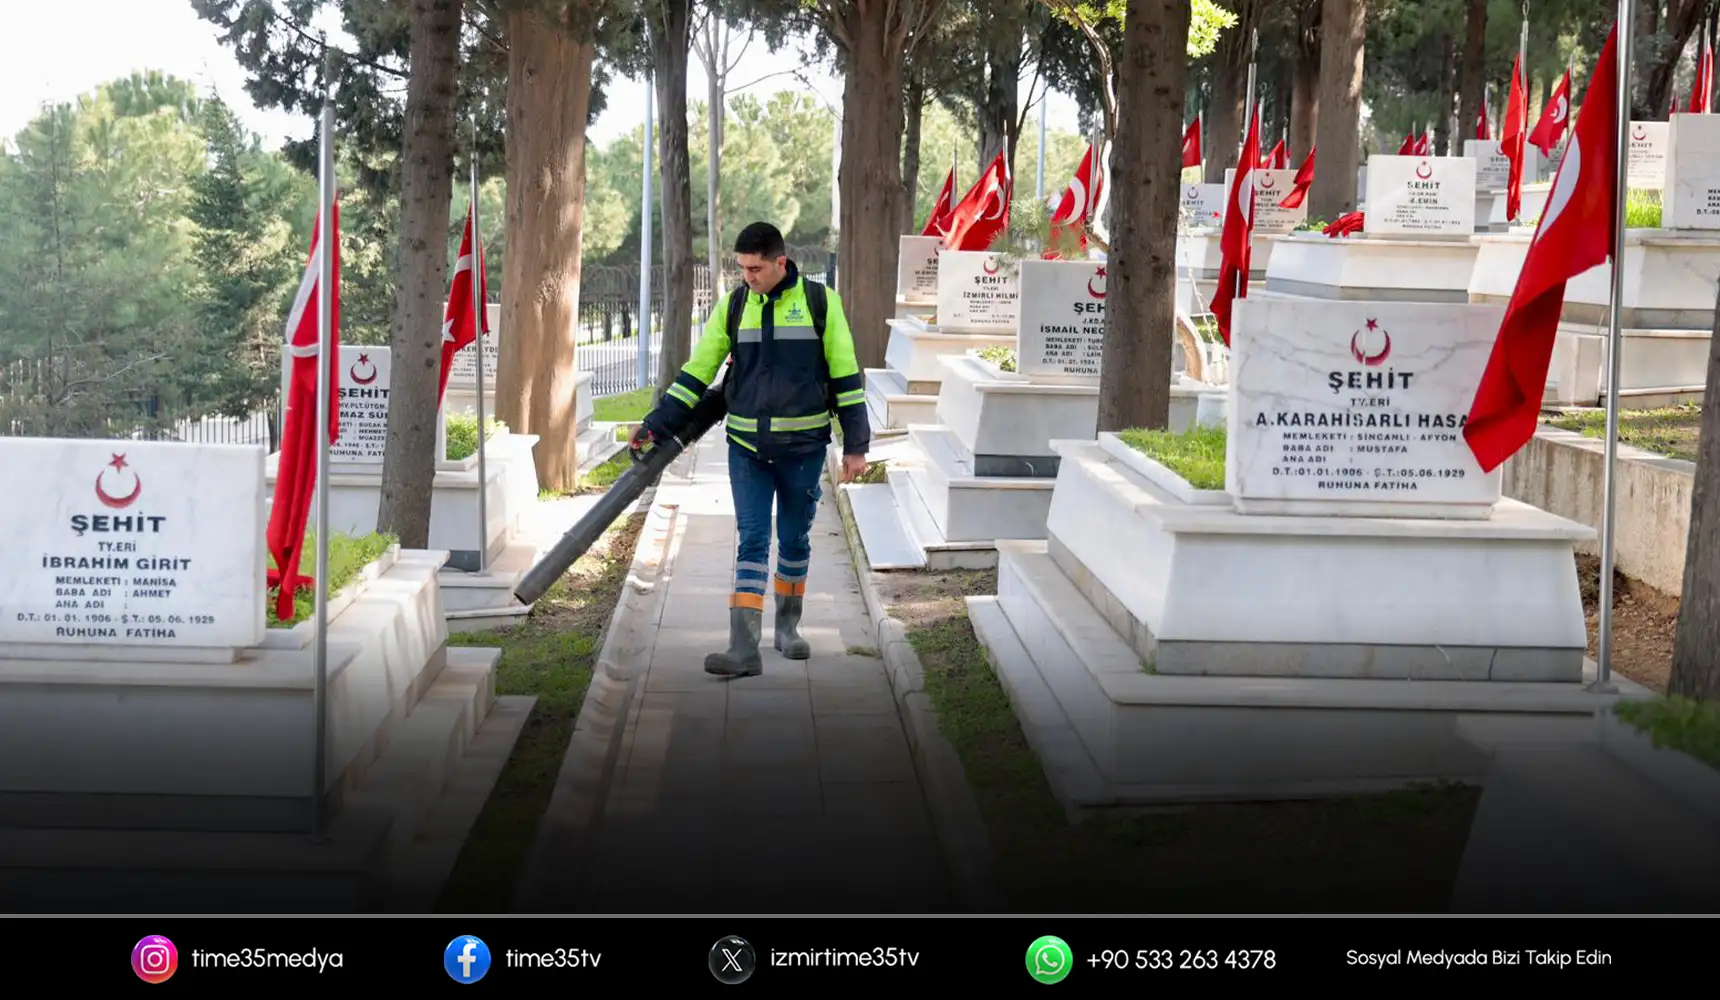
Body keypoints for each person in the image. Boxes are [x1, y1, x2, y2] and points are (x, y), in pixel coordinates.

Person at [629, 222, 869, 678]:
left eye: (755, 268)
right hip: (747, 448)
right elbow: (697, 373)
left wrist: (856, 446)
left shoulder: (820, 304)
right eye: (742, 268)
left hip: (804, 449)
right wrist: (654, 425)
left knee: (795, 540)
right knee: (753, 541)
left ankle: (787, 628)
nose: (748, 277)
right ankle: (743, 646)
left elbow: (845, 377)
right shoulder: (735, 305)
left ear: (781, 262)